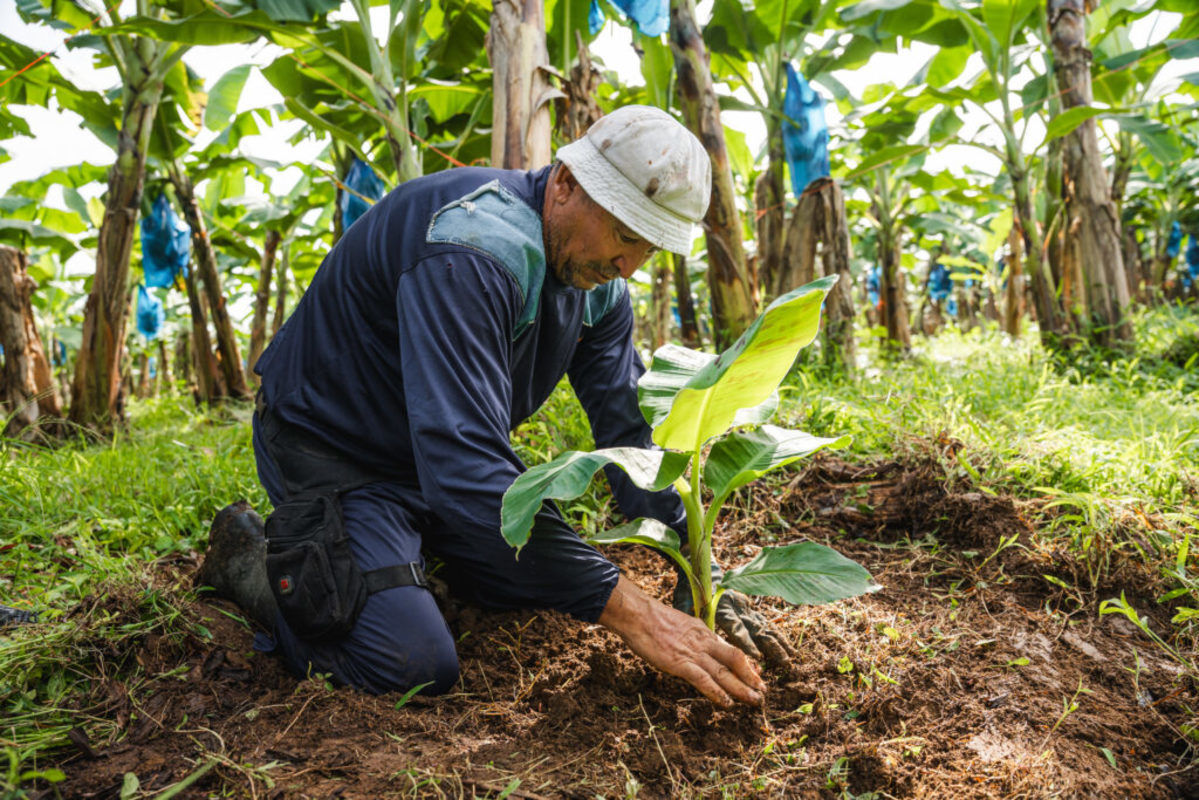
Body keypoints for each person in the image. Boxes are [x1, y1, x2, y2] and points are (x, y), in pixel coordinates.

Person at [198, 105, 790, 709]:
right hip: (336, 448)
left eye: (650, 247)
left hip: (436, 457)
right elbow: (464, 467)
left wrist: (698, 573)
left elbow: (631, 430)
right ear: (565, 184)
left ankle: (409, 557)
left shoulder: (598, 287)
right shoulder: (471, 249)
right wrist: (638, 614)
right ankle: (251, 562)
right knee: (412, 659)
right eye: (625, 234)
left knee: (532, 584)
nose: (629, 266)